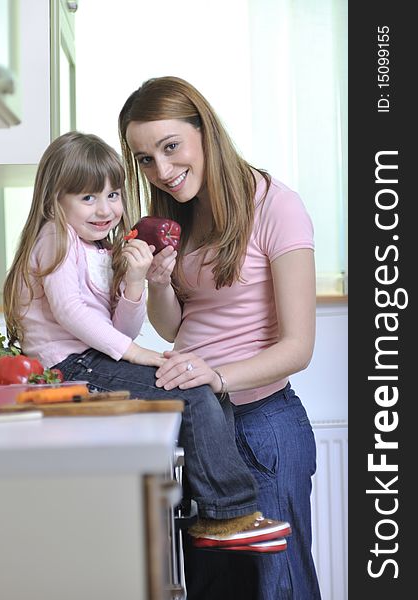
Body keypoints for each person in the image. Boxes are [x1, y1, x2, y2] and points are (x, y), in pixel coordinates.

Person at [2, 130, 291, 554]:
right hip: (63, 367)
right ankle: (228, 514)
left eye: (114, 195)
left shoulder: (100, 249)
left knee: (205, 390)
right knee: (187, 390)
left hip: (92, 358)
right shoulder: (56, 237)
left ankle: (209, 511)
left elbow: (120, 331)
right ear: (54, 202)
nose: (106, 209)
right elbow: (71, 314)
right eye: (87, 198)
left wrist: (136, 282)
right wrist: (142, 356)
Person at [118, 76, 321, 599]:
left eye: (170, 147)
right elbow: (174, 328)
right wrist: (159, 283)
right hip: (200, 424)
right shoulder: (178, 216)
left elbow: (299, 347)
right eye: (144, 159)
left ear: (204, 131)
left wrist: (218, 375)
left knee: (278, 586)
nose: (161, 172)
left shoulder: (277, 205)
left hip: (260, 427)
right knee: (216, 590)